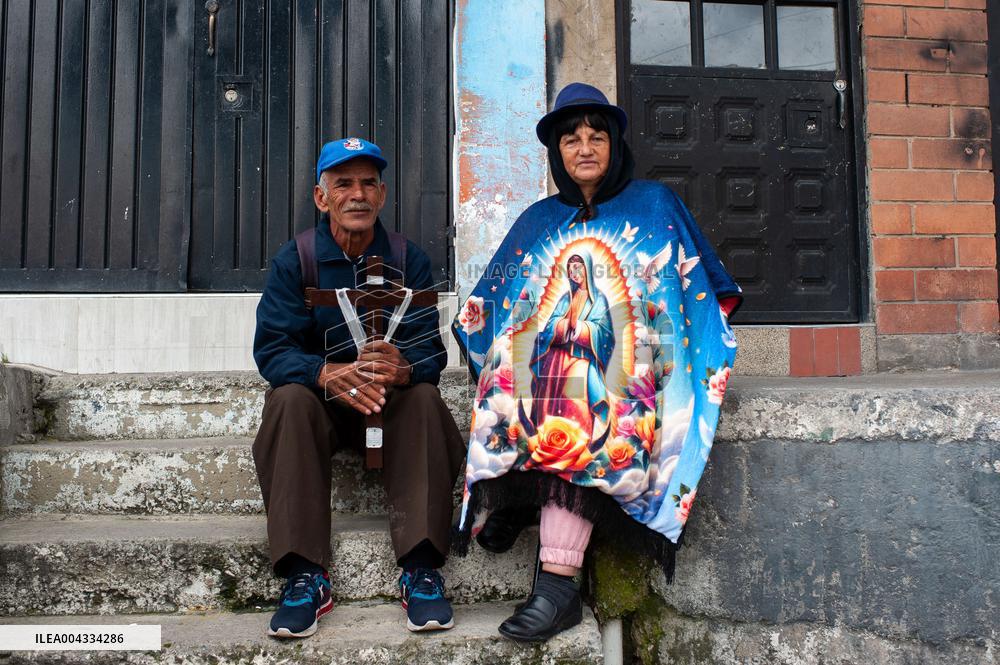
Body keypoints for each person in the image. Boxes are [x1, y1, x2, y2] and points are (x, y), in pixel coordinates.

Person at [452, 83, 743, 642]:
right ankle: (520, 490)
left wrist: (624, 338)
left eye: (597, 136)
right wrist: (539, 338)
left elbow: (702, 293)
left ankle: (558, 582)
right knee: (507, 375)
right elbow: (488, 308)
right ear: (557, 153)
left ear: (615, 145)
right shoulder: (539, 221)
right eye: (571, 139)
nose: (585, 148)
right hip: (556, 362)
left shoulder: (654, 205)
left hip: (627, 368)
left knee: (589, 408)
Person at [253, 137, 465, 639]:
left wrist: (404, 368)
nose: (358, 194)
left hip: (387, 410)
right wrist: (324, 373)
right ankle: (305, 575)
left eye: (368, 183)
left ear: (383, 194)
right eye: (343, 183)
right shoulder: (296, 260)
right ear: (322, 197)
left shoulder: (406, 258)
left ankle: (420, 568)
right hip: (322, 409)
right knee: (287, 400)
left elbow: (431, 351)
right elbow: (272, 349)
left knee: (427, 400)